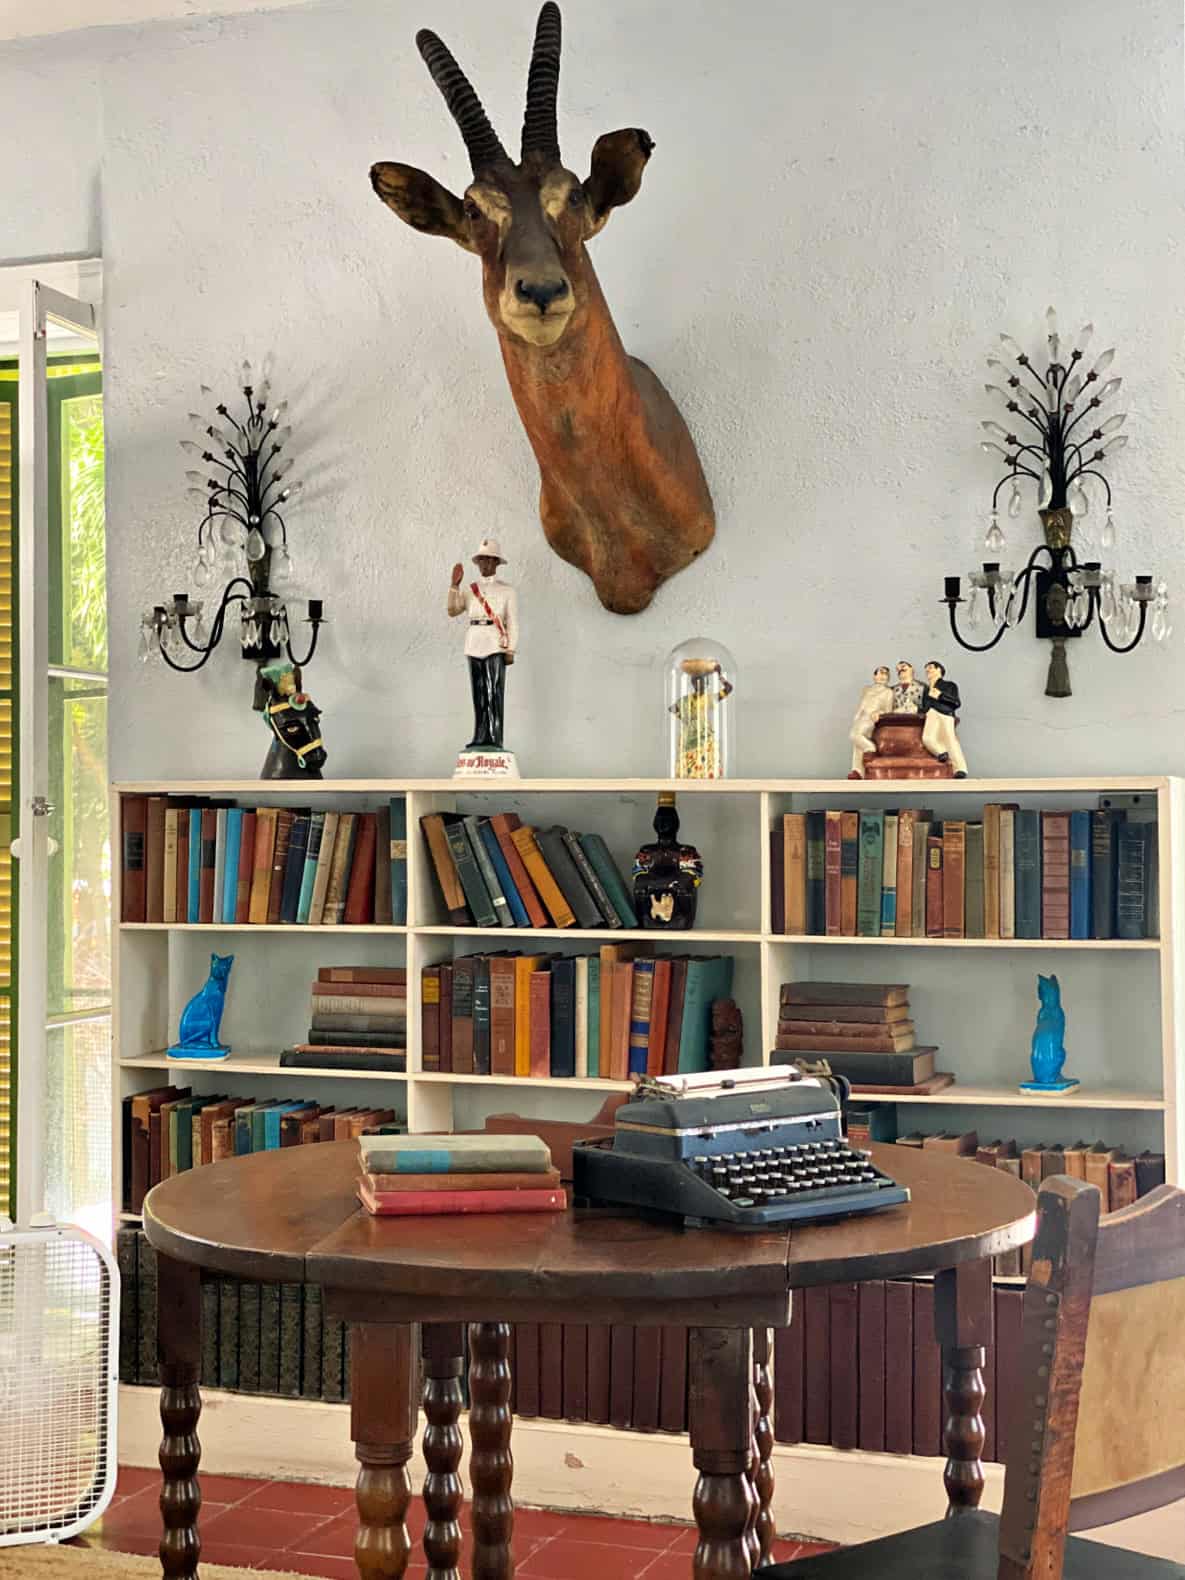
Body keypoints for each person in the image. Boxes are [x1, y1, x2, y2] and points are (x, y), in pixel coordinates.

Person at [447, 538, 518, 751]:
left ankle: (494, 737)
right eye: (481, 560)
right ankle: (480, 735)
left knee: (493, 692)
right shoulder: (470, 590)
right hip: (474, 641)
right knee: (478, 692)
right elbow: (452, 610)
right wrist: (454, 586)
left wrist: (511, 648)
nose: (485, 564)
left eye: (489, 560)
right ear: (477, 563)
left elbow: (512, 621)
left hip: (495, 643)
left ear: (496, 563)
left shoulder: (507, 591)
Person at [921, 659, 967, 777]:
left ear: (939, 670)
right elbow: (924, 707)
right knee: (927, 738)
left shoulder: (949, 685)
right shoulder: (926, 690)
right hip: (932, 714)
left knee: (950, 740)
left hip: (945, 714)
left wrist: (940, 695)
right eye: (927, 670)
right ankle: (941, 752)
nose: (928, 671)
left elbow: (956, 702)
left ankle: (960, 769)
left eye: (931, 668)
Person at [848, 664, 895, 777]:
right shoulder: (867, 689)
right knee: (857, 744)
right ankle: (858, 772)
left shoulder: (888, 692)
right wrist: (857, 715)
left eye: (885, 674)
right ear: (874, 676)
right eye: (880, 673)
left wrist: (879, 713)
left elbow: (888, 710)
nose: (882, 676)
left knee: (855, 735)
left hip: (872, 717)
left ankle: (870, 748)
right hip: (861, 717)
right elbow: (862, 704)